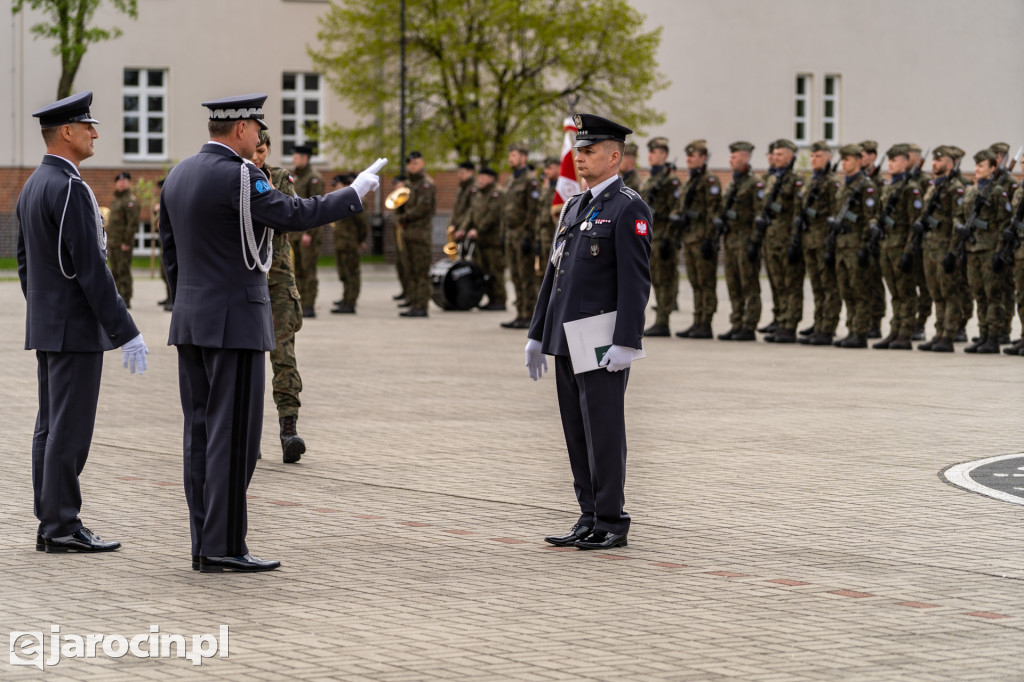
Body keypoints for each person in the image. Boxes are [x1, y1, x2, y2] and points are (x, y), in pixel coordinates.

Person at [160, 93, 384, 572]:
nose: (260, 138)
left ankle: (205, 541)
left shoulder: (178, 174)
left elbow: (170, 255)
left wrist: (188, 305)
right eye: (257, 129)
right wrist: (354, 193)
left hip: (192, 321)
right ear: (240, 128)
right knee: (234, 437)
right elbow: (294, 214)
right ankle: (224, 546)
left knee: (200, 433)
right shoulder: (241, 177)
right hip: (235, 323)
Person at [17, 91, 149, 554]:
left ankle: (50, 519)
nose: (95, 133)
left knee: (50, 428)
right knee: (68, 431)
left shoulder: (34, 184)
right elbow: (91, 270)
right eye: (88, 126)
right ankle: (61, 526)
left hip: (52, 326)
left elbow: (24, 265)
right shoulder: (70, 187)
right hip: (75, 330)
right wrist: (126, 330)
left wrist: (45, 311)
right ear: (67, 132)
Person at [525, 113, 652, 551]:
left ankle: (612, 519)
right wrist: (538, 333)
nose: (579, 158)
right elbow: (554, 275)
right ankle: (589, 514)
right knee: (576, 430)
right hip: (566, 336)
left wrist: (627, 341)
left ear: (615, 156)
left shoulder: (628, 206)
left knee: (603, 430)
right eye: (578, 151)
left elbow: (636, 282)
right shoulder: (575, 205)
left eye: (590, 150)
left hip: (600, 338)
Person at [252, 130, 307, 462]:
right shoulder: (234, 177)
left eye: (262, 150)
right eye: (253, 150)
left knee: (283, 355)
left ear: (268, 149)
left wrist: (270, 192)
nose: (257, 156)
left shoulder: (281, 178)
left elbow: (289, 217)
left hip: (279, 281)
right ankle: (248, 437)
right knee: (246, 361)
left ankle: (289, 430)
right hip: (246, 280)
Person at [957, 148, 1012, 354]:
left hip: (990, 250)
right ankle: (983, 333)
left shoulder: (997, 192)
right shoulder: (970, 192)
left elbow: (1004, 224)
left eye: (982, 166)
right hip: (973, 250)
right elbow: (959, 215)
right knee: (978, 294)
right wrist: (960, 227)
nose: (977, 169)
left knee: (993, 295)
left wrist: (999, 251)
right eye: (977, 165)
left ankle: (994, 337)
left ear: (992, 169)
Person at [915, 146, 966, 352]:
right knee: (935, 293)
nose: (934, 164)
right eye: (934, 161)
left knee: (950, 293)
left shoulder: (955, 188)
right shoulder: (933, 187)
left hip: (945, 248)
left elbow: (957, 221)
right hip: (930, 247)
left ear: (951, 164)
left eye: (940, 160)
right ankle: (938, 333)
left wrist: (952, 252)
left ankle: (949, 335)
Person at [870, 144, 921, 350]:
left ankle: (905, 333)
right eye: (889, 161)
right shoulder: (889, 187)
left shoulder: (910, 189)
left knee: (906, 292)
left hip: (901, 248)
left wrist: (908, 252)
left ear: (905, 163)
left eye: (895, 160)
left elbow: (914, 224)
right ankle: (895, 330)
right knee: (895, 293)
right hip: (886, 247)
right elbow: (879, 212)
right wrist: (874, 223)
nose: (891, 164)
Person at [828, 143, 877, 349]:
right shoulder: (842, 186)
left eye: (847, 160)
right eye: (843, 160)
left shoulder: (866, 187)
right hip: (841, 245)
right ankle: (851, 329)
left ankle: (860, 332)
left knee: (859, 291)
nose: (844, 163)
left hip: (856, 245)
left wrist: (865, 246)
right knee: (846, 290)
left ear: (858, 161)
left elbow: (870, 218)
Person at [673, 139, 721, 339]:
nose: (688, 159)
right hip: (690, 239)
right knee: (695, 282)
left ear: (703, 158)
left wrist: (710, 240)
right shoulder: (690, 180)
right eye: (688, 156)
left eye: (692, 156)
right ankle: (697, 320)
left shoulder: (710, 181)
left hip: (702, 240)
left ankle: (706, 322)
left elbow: (713, 213)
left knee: (706, 283)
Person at [795, 141, 841, 346]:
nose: (814, 160)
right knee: (816, 286)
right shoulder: (812, 181)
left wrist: (832, 244)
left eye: (819, 156)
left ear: (828, 158)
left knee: (829, 286)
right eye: (812, 156)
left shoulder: (832, 182)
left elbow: (835, 213)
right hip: (809, 240)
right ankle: (819, 322)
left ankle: (827, 327)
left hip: (823, 241)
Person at [716, 141, 762, 341]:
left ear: (745, 158)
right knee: (733, 285)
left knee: (749, 285)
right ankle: (736, 323)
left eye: (734, 157)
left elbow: (758, 215)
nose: (730, 160)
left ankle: (748, 325)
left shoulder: (754, 184)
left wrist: (754, 243)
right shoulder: (733, 183)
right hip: (731, 241)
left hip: (745, 242)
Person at [759, 139, 804, 343]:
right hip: (771, 239)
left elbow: (798, 213)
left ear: (790, 157)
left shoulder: (795, 181)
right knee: (777, 283)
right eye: (774, 154)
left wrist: (795, 241)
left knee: (790, 284)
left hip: (787, 239)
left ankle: (789, 325)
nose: (775, 158)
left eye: (779, 155)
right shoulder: (773, 179)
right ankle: (780, 319)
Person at [640, 137, 682, 337]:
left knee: (664, 279)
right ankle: (660, 318)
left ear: (664, 155)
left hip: (663, 236)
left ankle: (663, 321)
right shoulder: (650, 179)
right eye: (650, 152)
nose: (651, 156)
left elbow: (676, 210)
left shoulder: (670, 180)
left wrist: (668, 238)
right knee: (654, 278)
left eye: (655, 152)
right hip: (650, 236)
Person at [501, 143, 541, 329]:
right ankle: (519, 313)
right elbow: (506, 209)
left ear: (523, 158)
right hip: (510, 234)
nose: (510, 158)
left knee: (526, 276)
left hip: (523, 234)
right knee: (515, 275)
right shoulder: (510, 180)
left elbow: (533, 211)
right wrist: (503, 234)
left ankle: (529, 315)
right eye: (510, 155)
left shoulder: (530, 180)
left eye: (514, 155)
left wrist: (528, 235)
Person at [455, 167, 506, 310]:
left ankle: (499, 299)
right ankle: (490, 298)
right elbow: (470, 213)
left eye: (483, 177)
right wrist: (463, 229)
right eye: (479, 177)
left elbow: (493, 215)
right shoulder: (478, 194)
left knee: (495, 270)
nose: (480, 180)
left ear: (491, 178)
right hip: (479, 241)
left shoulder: (497, 193)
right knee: (483, 270)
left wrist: (478, 230)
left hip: (492, 240)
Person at [393, 151, 435, 317]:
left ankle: (422, 305)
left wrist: (403, 217)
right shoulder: (408, 185)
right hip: (408, 234)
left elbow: (423, 208)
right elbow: (399, 204)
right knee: (409, 269)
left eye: (415, 163)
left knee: (420, 271)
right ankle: (414, 302)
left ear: (422, 164)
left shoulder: (427, 184)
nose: (412, 166)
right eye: (410, 164)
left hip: (420, 235)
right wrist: (397, 216)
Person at [290, 144, 325, 318]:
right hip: (296, 232)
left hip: (307, 233)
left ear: (305, 158)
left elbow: (316, 207)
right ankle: (301, 302)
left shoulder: (314, 178)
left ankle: (309, 305)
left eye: (296, 157)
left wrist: (308, 233)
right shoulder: (296, 177)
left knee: (308, 269)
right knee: (297, 270)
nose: (293, 160)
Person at [329, 173, 368, 315]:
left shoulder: (354, 200)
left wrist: (360, 240)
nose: (335, 189)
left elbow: (362, 224)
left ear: (345, 186)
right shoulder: (341, 200)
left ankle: (350, 303)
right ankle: (346, 299)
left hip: (350, 243)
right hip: (341, 243)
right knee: (344, 273)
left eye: (337, 186)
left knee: (352, 273)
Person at [106, 171, 139, 308]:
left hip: (123, 244)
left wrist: (126, 242)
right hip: (114, 242)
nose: (121, 183)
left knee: (123, 271)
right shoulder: (117, 200)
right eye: (119, 181)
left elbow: (132, 224)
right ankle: (117, 297)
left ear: (129, 183)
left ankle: (125, 298)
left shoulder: (130, 201)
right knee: (114, 271)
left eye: (124, 181)